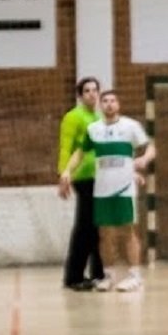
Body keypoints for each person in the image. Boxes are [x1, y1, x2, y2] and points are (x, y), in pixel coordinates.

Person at [59, 89, 154, 293]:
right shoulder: (94, 129)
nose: (109, 104)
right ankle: (108, 276)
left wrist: (144, 159)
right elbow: (80, 152)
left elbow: (150, 147)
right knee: (105, 234)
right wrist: (67, 171)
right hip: (102, 189)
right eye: (106, 101)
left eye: (113, 101)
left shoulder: (130, 126)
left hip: (125, 188)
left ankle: (135, 276)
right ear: (101, 106)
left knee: (128, 231)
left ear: (118, 105)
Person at [57, 75, 104, 291]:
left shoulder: (98, 117)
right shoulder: (73, 117)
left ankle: (98, 273)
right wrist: (64, 174)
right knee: (85, 227)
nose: (92, 94)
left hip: (101, 177)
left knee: (98, 227)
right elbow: (66, 147)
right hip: (83, 178)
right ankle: (73, 275)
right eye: (87, 90)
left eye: (95, 90)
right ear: (80, 95)